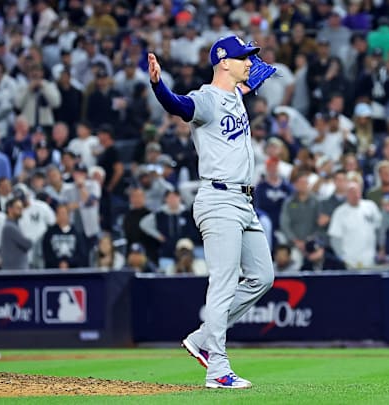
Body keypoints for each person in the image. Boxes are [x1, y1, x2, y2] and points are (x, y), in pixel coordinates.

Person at [149, 35, 276, 389]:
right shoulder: (206, 99)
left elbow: (255, 76)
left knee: (262, 277)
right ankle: (217, 368)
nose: (249, 63)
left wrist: (260, 69)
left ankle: (203, 337)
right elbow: (178, 106)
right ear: (224, 62)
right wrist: (158, 85)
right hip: (219, 199)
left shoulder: (235, 92)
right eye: (243, 58)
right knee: (222, 283)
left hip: (244, 201)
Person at [41, 204, 88, 269]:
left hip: (73, 272)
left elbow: (81, 254)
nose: (62, 216)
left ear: (68, 215)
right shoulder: (49, 234)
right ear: (56, 215)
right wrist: (59, 263)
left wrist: (68, 263)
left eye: (64, 213)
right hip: (53, 272)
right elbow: (46, 253)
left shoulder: (77, 234)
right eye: (60, 213)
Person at [0, 198, 32, 270]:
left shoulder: (14, 225)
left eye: (21, 208)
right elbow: (27, 244)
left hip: (16, 270)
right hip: (15, 271)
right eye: (18, 208)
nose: (21, 210)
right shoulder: (9, 227)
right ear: (10, 209)